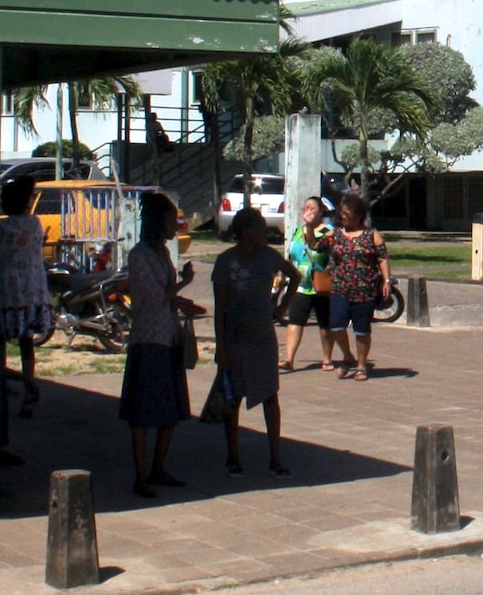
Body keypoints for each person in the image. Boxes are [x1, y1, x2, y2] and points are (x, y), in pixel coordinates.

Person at [213, 206, 300, 476]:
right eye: (260, 229)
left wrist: (282, 306)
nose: (264, 234)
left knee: (270, 395)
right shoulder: (226, 261)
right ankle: (232, 456)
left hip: (263, 334)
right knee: (233, 397)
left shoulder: (268, 256)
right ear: (246, 232)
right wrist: (221, 347)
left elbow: (295, 275)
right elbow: (219, 308)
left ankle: (275, 457)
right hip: (236, 335)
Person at [120, 193, 195, 497]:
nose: (175, 225)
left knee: (170, 409)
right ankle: (141, 474)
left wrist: (182, 301)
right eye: (170, 219)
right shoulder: (140, 255)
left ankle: (158, 467)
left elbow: (165, 294)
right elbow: (152, 296)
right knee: (143, 412)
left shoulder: (163, 252)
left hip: (168, 335)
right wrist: (184, 284)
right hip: (148, 338)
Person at [318, 191, 391, 379]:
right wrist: (312, 226)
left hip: (365, 290)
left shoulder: (371, 235)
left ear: (358, 214)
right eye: (341, 213)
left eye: (347, 213)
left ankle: (361, 365)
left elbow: (382, 258)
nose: (343, 216)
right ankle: (347, 356)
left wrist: (387, 281)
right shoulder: (335, 234)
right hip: (340, 288)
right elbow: (315, 246)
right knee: (336, 326)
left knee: (362, 330)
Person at [0, 177, 52, 421]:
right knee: (26, 342)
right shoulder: (35, 223)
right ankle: (28, 391)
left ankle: (11, 384)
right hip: (34, 292)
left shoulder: (3, 228)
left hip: (9, 292)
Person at [280, 196, 330, 371]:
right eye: (305, 208)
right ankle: (289, 359)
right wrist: (283, 275)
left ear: (321, 211)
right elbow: (290, 254)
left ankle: (327, 359)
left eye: (312, 208)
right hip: (300, 285)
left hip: (321, 284)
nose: (307, 211)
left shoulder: (328, 232)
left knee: (325, 323)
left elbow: (323, 253)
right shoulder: (298, 231)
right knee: (295, 320)